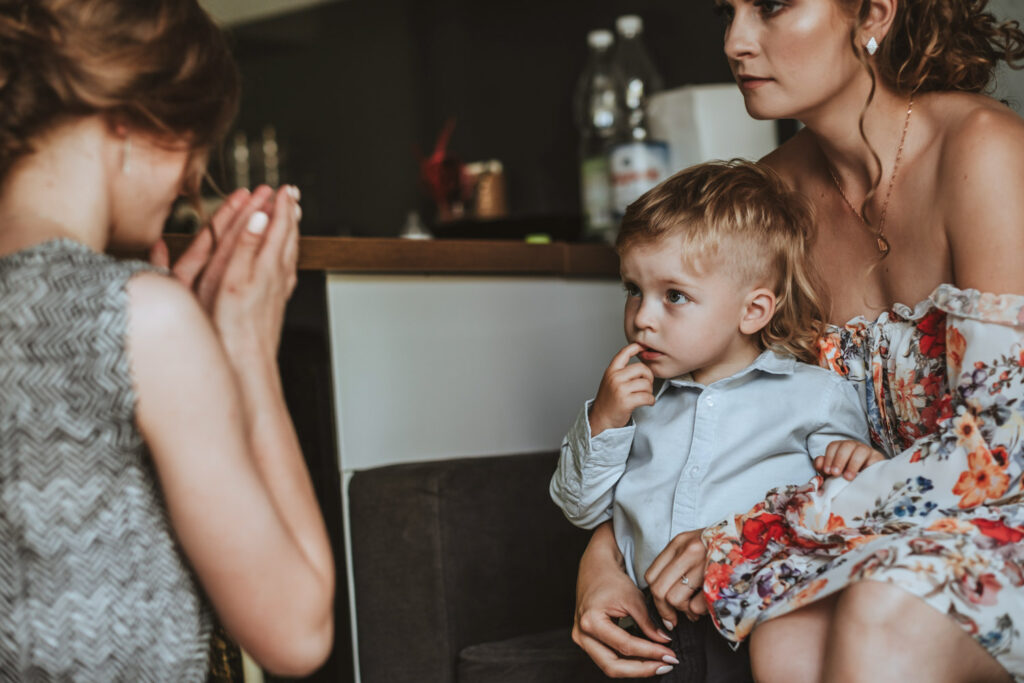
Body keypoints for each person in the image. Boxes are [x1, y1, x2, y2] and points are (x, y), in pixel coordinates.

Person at [569, 0, 1024, 681]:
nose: (736, 41)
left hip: (999, 515)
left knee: (882, 605)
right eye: (727, 12)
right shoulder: (767, 203)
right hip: (859, 535)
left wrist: (754, 534)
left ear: (874, 13)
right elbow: (706, 418)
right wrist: (602, 562)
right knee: (785, 634)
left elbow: (1003, 451)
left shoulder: (983, 148)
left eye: (772, 6)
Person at [0, 0, 334, 679]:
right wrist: (243, 351)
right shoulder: (139, 317)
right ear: (128, 116)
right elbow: (299, 632)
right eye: (190, 139)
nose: (188, 183)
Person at [550, 160, 879, 682]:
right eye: (633, 289)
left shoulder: (814, 396)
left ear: (753, 311)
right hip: (647, 626)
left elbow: (845, 511)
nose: (642, 318)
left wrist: (857, 462)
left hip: (749, 622)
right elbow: (581, 508)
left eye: (674, 296)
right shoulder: (636, 401)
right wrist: (605, 419)